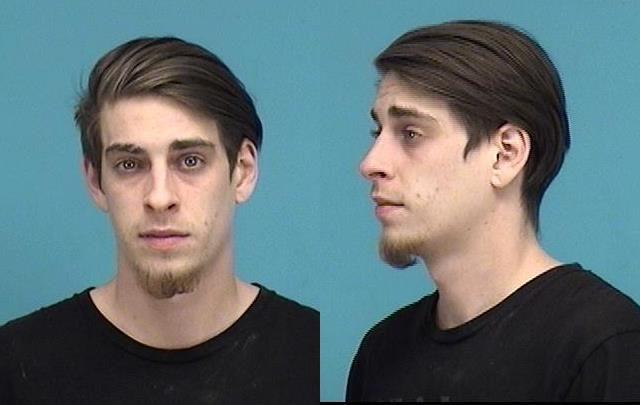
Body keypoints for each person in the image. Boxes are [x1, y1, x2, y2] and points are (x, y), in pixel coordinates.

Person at [0, 37, 318, 404]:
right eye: (129, 165)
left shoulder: (309, 354)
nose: (160, 197)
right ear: (95, 181)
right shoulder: (15, 365)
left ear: (243, 171)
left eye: (190, 161)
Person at [347, 20, 640, 402]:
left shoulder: (605, 347)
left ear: (506, 155)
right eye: (378, 133)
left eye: (411, 134)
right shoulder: (381, 354)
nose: (371, 163)